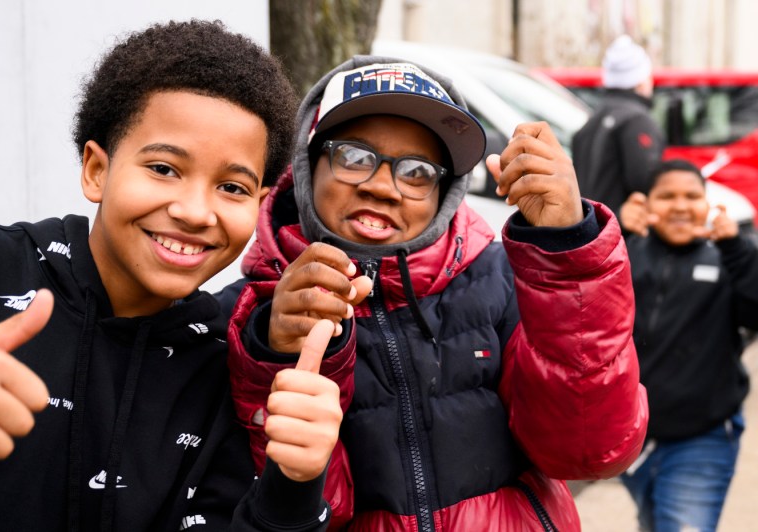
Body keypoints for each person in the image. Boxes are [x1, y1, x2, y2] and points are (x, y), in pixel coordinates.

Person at [217, 56, 649, 530]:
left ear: (447, 192)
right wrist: (278, 353)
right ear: (307, 164)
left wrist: (567, 258)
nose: (384, 187)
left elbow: (588, 450)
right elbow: (318, 511)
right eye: (355, 157)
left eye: (418, 171)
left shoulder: (503, 278)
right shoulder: (250, 315)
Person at [0, 20, 345, 532]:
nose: (194, 211)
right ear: (97, 170)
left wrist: (294, 487)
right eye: (164, 169)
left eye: (231, 187)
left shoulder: (222, 368)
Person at [618, 159, 758, 532]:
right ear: (645, 205)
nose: (680, 205)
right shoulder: (626, 254)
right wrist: (615, 235)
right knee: (652, 521)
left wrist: (736, 248)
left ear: (708, 204)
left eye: (692, 196)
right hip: (634, 439)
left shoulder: (730, 257)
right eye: (667, 196)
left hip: (704, 437)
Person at [572, 34, 665, 217]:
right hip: (621, 232)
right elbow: (645, 181)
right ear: (641, 80)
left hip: (590, 227)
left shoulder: (594, 117)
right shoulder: (637, 120)